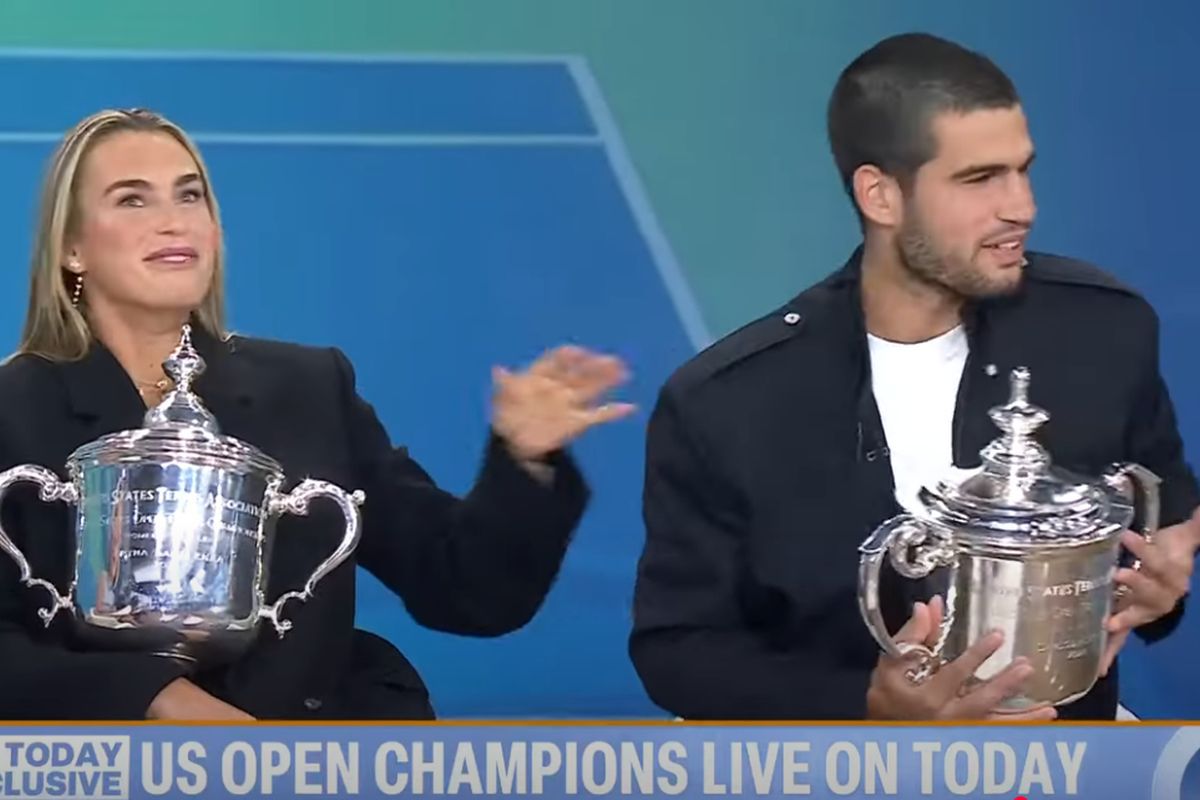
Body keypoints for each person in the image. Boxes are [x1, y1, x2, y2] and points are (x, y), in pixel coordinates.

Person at [630, 32, 1200, 721]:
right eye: (980, 179)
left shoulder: (1102, 332)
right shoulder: (729, 402)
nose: (1021, 206)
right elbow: (678, 650)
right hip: (838, 762)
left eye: (1022, 170)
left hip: (1064, 752)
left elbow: (1160, 533)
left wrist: (1158, 590)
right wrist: (866, 708)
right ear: (881, 196)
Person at [0, 108, 634, 720]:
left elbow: (466, 591)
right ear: (72, 247)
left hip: (311, 752)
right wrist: (153, 698)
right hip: (98, 760)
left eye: (190, 196)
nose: (173, 222)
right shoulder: (15, 408)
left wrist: (524, 463)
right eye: (133, 200)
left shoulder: (310, 387)